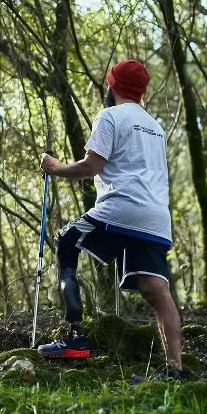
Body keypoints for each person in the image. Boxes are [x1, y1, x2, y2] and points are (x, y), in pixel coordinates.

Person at [36, 59, 185, 379]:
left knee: (66, 241)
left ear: (112, 86)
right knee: (156, 289)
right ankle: (176, 369)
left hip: (121, 207)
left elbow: (92, 167)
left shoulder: (110, 116)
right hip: (156, 216)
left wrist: (55, 167)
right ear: (142, 92)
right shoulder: (155, 127)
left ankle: (75, 338)